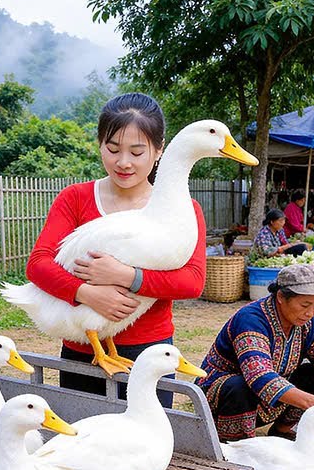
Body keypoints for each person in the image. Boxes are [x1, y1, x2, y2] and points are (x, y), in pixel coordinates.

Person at [26, 93, 206, 406]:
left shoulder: (184, 211)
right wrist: (87, 293)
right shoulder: (76, 198)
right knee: (79, 442)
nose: (124, 162)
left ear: (159, 149)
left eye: (137, 151)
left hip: (150, 353)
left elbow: (192, 281)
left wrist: (127, 276)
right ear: (100, 145)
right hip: (82, 351)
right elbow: (39, 264)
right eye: (113, 149)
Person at [198, 264, 314, 441]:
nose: (310, 313)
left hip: (264, 396)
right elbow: (259, 376)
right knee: (240, 385)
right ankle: (234, 442)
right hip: (222, 398)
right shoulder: (251, 319)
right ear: (280, 297)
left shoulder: (308, 324)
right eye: (305, 305)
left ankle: (281, 430)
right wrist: (313, 403)